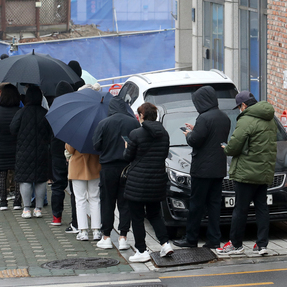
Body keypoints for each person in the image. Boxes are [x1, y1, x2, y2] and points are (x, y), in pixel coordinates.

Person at [217, 91, 277, 256]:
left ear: (243, 105)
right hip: (263, 172)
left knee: (241, 209)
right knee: (262, 208)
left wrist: (226, 148)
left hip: (246, 173)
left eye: (239, 107)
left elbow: (235, 145)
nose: (239, 110)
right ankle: (262, 244)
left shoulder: (246, 120)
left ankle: (236, 244)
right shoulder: (269, 118)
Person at [174, 86, 231, 249]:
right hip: (219, 168)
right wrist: (195, 129)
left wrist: (189, 134)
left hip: (202, 169)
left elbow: (195, 141)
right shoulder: (224, 117)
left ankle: (191, 238)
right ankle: (214, 239)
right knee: (214, 205)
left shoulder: (204, 118)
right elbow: (211, 136)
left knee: (196, 204)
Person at [124, 103, 174, 262]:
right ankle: (165, 244)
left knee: (137, 217)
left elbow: (128, 157)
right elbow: (164, 155)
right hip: (157, 180)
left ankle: (141, 251)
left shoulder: (135, 134)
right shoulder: (164, 134)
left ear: (142, 116)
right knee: (155, 214)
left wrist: (126, 147)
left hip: (137, 183)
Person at [92, 96, 139, 250]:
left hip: (108, 168)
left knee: (107, 202)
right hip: (127, 168)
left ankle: (106, 236)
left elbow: (96, 145)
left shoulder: (103, 123)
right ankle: (123, 237)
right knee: (125, 204)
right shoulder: (133, 122)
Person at [10, 86, 52, 219]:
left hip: (24, 151)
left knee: (25, 180)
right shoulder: (45, 113)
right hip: (42, 151)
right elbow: (51, 133)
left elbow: (13, 129)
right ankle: (38, 209)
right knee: (40, 180)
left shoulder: (21, 112)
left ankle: (27, 209)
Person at [67, 83, 103, 241]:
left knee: (80, 199)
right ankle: (97, 230)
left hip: (78, 166)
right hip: (95, 164)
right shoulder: (101, 119)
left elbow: (70, 149)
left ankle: (83, 231)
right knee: (95, 198)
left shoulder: (76, 119)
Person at [0, 84, 23, 211]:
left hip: (1, 145)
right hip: (17, 146)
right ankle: (18, 202)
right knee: (18, 174)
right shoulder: (19, 111)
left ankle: (3, 202)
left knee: (2, 174)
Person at [49, 82, 75, 227]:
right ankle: (75, 220)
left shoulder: (53, 110)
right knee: (74, 188)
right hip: (73, 153)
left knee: (58, 185)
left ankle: (56, 217)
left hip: (57, 152)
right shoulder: (76, 108)